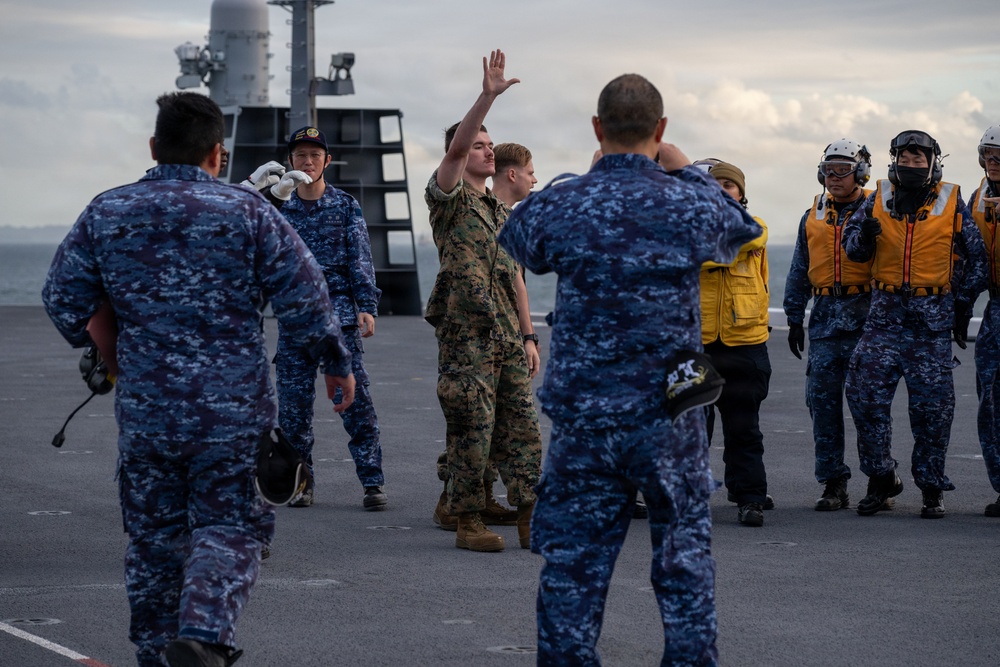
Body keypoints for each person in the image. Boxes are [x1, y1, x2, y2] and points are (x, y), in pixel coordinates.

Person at [41, 92, 355, 667]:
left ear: (154, 147)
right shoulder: (247, 211)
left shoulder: (107, 211)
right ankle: (204, 634)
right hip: (231, 414)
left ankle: (159, 657)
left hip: (147, 414)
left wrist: (111, 356)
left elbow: (63, 301)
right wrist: (335, 362)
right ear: (218, 153)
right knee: (231, 526)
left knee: (154, 545)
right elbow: (307, 297)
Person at [497, 73, 761, 666]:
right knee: (684, 564)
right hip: (668, 417)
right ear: (661, 130)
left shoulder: (567, 201)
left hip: (585, 424)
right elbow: (737, 227)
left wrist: (588, 177)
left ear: (597, 129)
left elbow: (521, 237)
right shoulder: (690, 199)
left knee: (573, 572)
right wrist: (685, 165)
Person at [424, 50, 543, 553]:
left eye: (490, 145)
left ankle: (528, 512)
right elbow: (452, 156)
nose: (488, 151)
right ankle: (466, 516)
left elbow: (514, 275)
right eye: (478, 144)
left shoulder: (497, 210)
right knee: (472, 425)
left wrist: (528, 333)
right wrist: (487, 97)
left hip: (504, 335)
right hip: (466, 335)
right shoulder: (448, 198)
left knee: (521, 424)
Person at [843, 129, 987, 518]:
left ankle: (930, 487)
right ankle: (881, 480)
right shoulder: (877, 199)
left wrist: (959, 304)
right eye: (904, 161)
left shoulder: (952, 202)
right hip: (883, 322)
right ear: (894, 162)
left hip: (930, 327)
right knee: (865, 400)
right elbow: (851, 250)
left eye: (918, 161)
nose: (910, 166)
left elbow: (978, 260)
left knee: (933, 413)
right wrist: (866, 240)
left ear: (932, 163)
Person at [272, 125, 388, 510]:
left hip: (338, 314)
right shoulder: (278, 207)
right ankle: (301, 484)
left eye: (315, 155)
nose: (307, 162)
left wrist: (366, 306)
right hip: (293, 321)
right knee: (293, 410)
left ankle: (372, 482)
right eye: (301, 155)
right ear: (290, 161)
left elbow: (360, 259)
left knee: (356, 403)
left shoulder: (344, 205)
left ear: (327, 162)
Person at [783, 139, 877, 511]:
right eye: (828, 169)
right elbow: (797, 268)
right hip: (824, 318)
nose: (834, 177)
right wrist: (793, 317)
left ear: (861, 172)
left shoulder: (877, 210)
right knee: (821, 403)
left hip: (867, 315)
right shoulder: (813, 213)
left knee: (869, 405)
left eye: (843, 169)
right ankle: (833, 483)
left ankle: (879, 480)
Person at [699, 161, 773, 527]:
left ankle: (750, 497)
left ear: (741, 193)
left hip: (744, 343)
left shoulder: (755, 226)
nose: (724, 190)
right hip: (695, 344)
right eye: (717, 184)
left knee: (744, 428)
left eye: (731, 185)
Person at [969, 125, 1000, 516]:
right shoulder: (976, 199)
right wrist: (959, 309)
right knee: (991, 402)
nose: (993, 162)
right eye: (988, 155)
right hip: (994, 310)